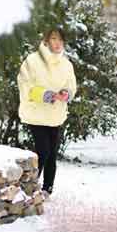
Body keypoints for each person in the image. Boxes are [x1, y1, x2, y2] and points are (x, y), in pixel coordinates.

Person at [17, 28, 77, 198]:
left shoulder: (66, 64)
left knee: (52, 153)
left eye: (60, 40)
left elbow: (71, 85)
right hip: (36, 113)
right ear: (46, 41)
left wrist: (66, 93)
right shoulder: (32, 61)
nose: (57, 43)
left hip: (56, 115)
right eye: (54, 39)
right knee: (43, 151)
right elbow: (24, 84)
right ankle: (31, 186)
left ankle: (47, 189)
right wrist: (46, 94)